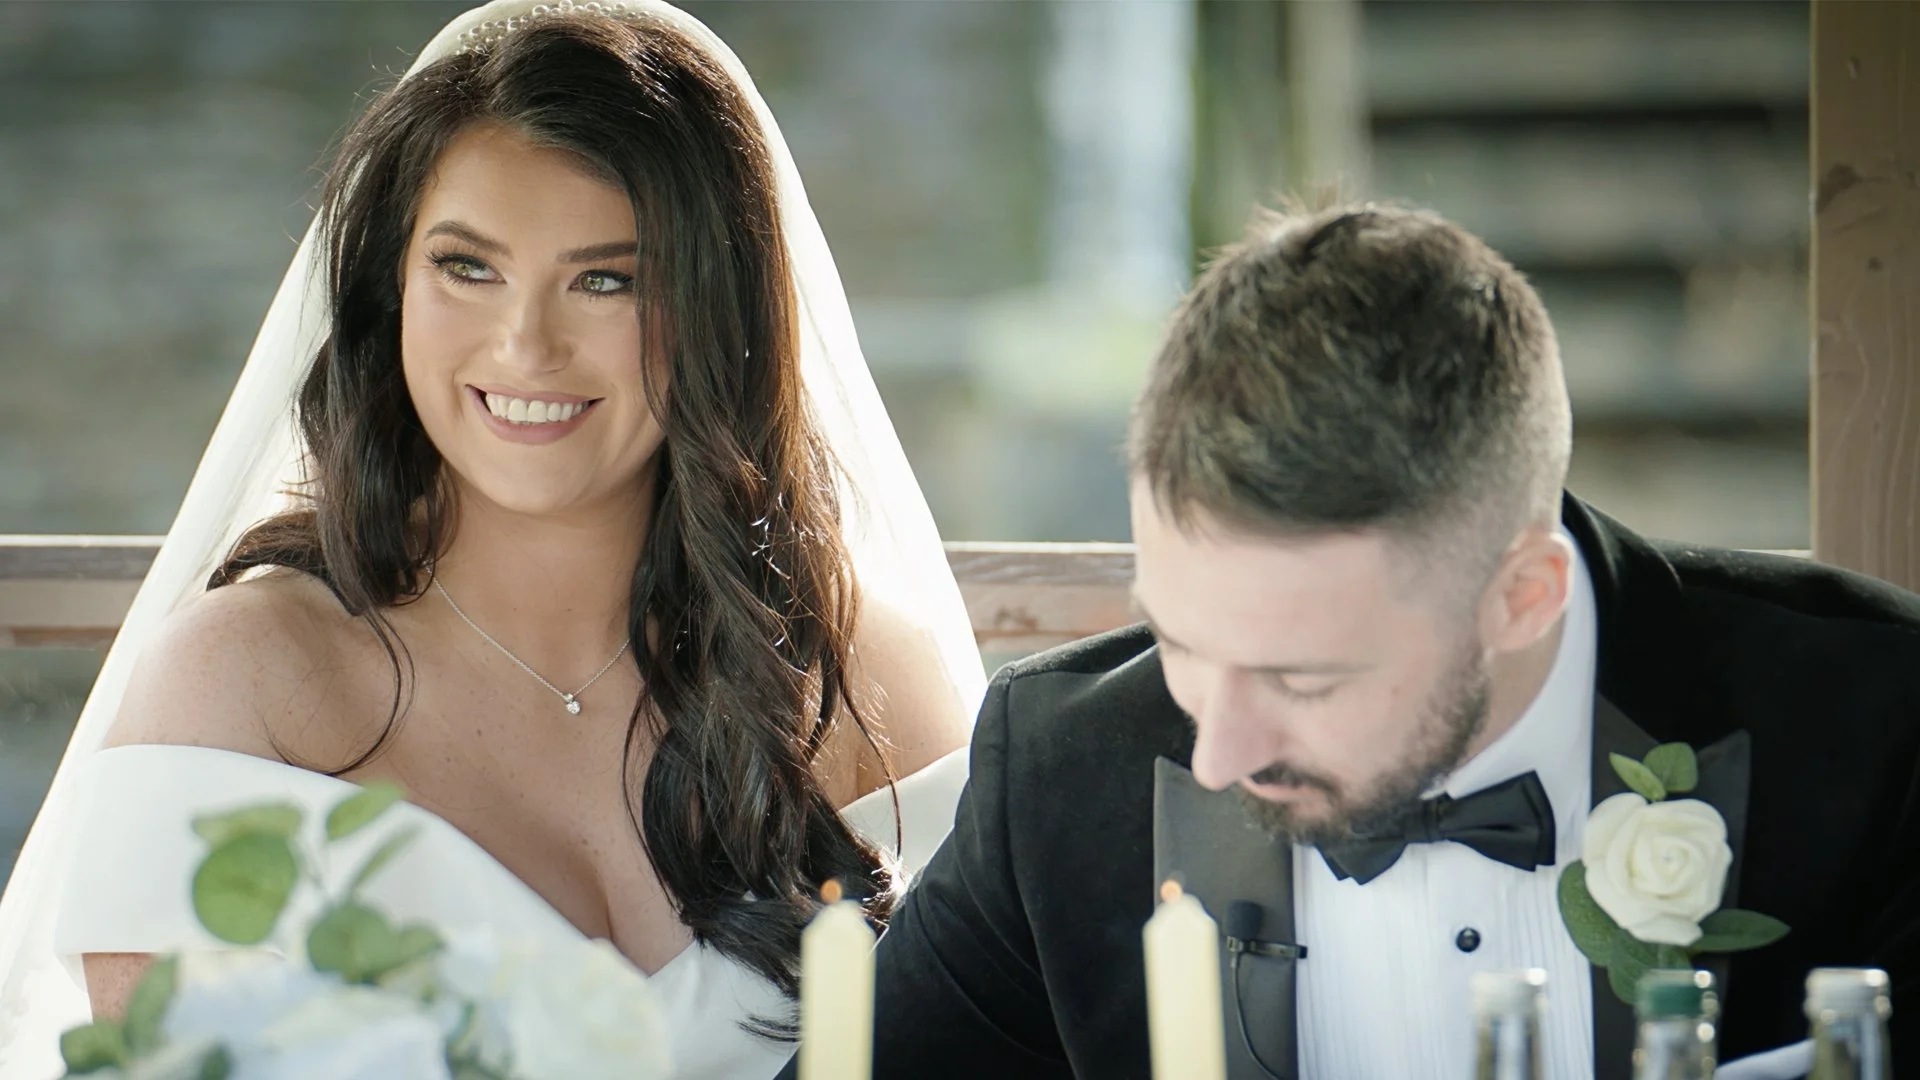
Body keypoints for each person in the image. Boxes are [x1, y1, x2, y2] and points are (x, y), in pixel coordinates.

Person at [0, 3, 984, 1077]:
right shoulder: (244, 685)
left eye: (607, 279)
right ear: (391, 289)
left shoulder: (870, 683)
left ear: (718, 312)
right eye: (467, 268)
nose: (525, 346)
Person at [840, 204, 1920, 1080]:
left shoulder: (1881, 736)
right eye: (1181, 642)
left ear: (1523, 596)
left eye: (1303, 677)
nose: (1216, 753)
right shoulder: (1064, 780)